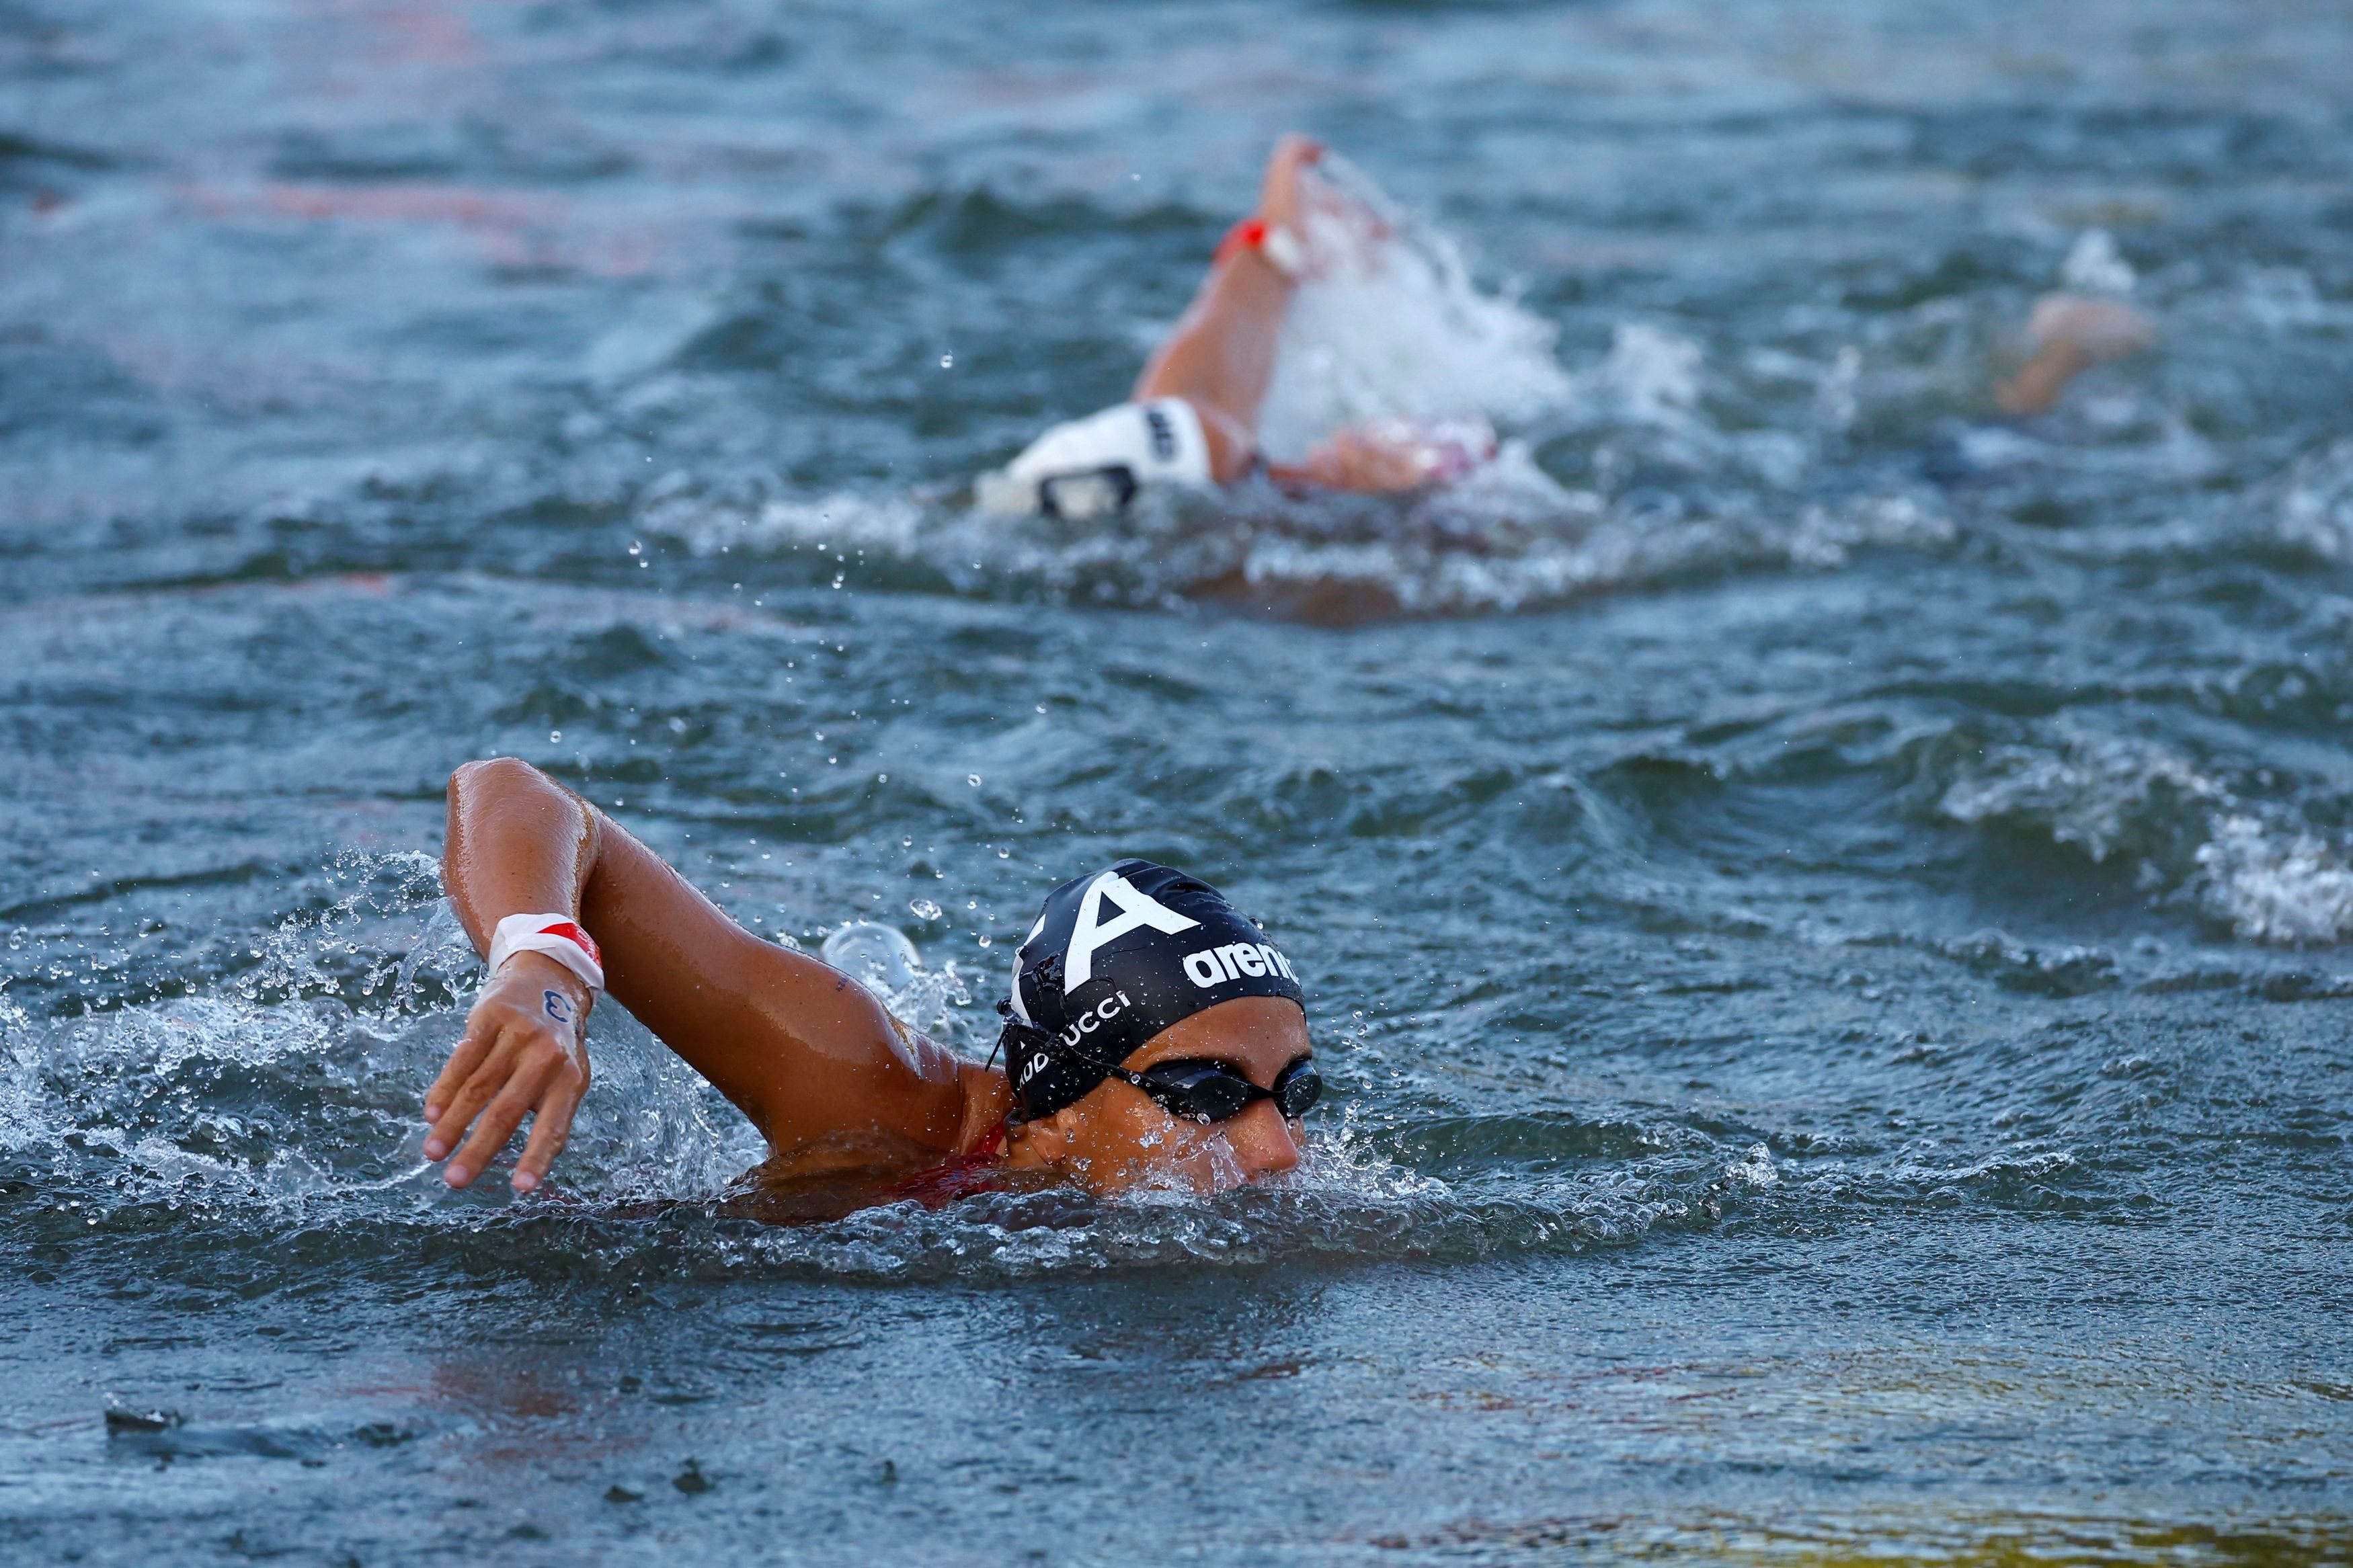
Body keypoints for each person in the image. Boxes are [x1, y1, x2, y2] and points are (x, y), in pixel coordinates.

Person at [422, 757, 1319, 1216]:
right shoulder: (873, 1091)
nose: (1279, 1150)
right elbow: (510, 790)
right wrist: (544, 964)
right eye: (1207, 1094)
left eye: (1297, 1094)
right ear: (1062, 1099)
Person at [973, 134, 1494, 522]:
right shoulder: (1328, 575)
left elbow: (1201, 392)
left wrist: (1273, 246)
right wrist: (1400, 508)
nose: (1327, 456)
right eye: (1243, 468)